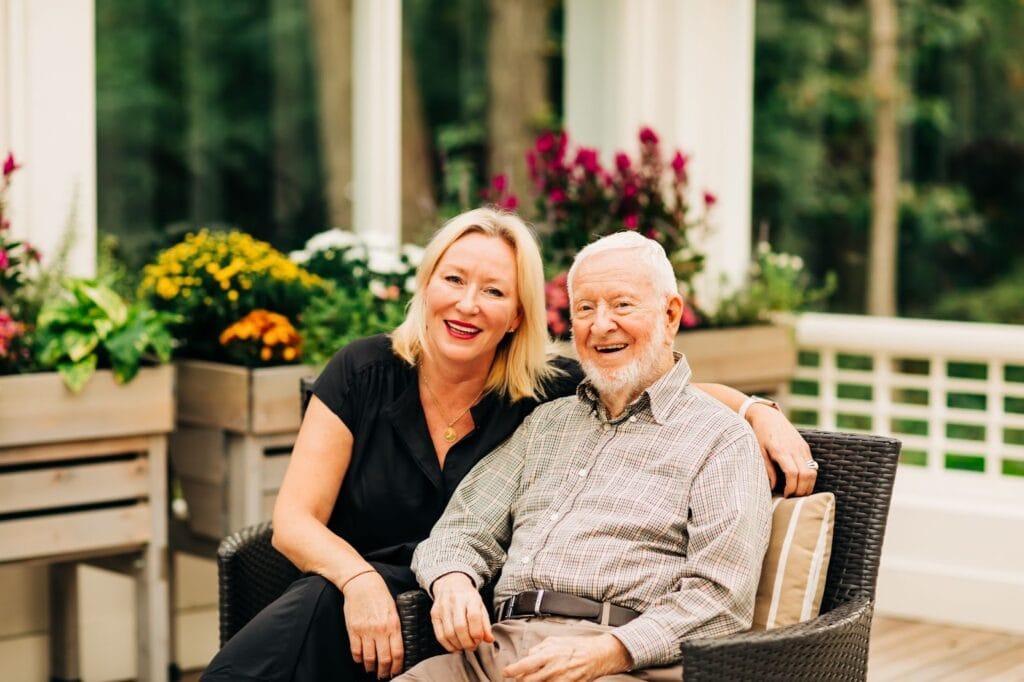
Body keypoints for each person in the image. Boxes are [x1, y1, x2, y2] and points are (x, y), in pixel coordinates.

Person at [201, 208, 812, 682]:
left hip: (574, 645)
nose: (602, 324)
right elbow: (435, 529)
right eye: (586, 308)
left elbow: (652, 383)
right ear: (427, 284)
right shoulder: (538, 417)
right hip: (411, 605)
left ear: (518, 315)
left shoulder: (555, 396)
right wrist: (433, 581)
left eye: (493, 291)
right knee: (304, 616)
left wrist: (754, 410)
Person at [397, 231, 773, 681]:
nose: (600, 325)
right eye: (585, 309)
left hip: (616, 662)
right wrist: (452, 581)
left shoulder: (720, 439)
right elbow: (463, 525)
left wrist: (611, 651)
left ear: (670, 314)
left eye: (622, 305)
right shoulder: (546, 424)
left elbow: (721, 597)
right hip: (495, 649)